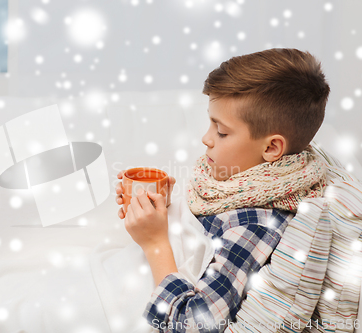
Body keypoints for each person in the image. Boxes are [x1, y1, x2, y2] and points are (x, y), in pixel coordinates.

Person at [114, 48, 330, 332]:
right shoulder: (246, 183)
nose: (206, 138)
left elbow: (193, 323)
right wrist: (168, 212)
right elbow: (207, 234)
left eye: (221, 131)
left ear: (271, 148)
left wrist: (155, 243)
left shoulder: (256, 226)